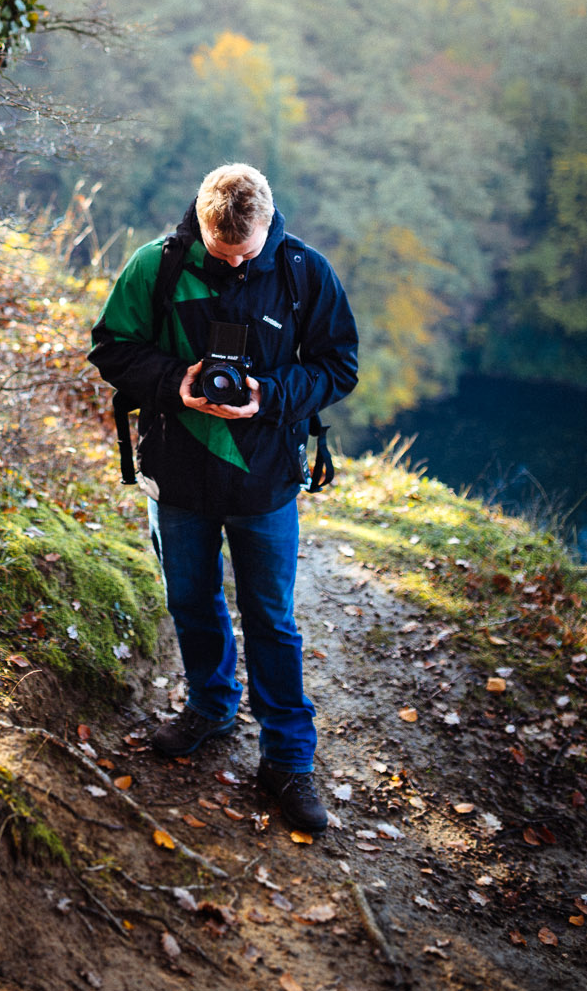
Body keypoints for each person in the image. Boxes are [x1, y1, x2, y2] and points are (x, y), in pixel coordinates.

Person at [88, 163, 358, 834]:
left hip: (264, 479)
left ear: (268, 224)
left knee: (270, 618)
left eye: (247, 250)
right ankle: (209, 708)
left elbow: (337, 366)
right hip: (177, 474)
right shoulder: (155, 266)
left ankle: (288, 760)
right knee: (191, 600)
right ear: (201, 223)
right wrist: (173, 382)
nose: (236, 260)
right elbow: (111, 348)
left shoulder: (301, 272)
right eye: (222, 251)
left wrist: (270, 396)